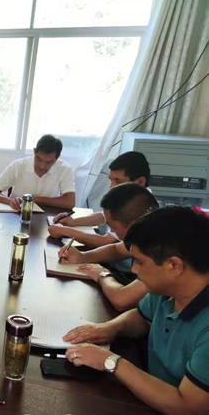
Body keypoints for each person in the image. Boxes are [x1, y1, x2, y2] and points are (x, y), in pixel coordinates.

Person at [63, 207, 209, 415]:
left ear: (174, 266)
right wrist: (110, 328)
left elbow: (186, 406)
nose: (134, 270)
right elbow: (142, 318)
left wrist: (110, 361)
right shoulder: (168, 288)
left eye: (139, 262)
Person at [58, 183, 159, 311]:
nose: (111, 230)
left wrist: (102, 275)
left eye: (113, 226)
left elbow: (122, 300)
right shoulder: (144, 232)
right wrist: (83, 256)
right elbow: (115, 250)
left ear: (133, 225)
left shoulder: (160, 249)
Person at [49, 151, 151, 247]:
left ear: (140, 182)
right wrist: (72, 222)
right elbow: (104, 216)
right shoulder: (133, 197)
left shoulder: (141, 207)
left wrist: (65, 231)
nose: (111, 187)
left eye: (118, 182)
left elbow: (106, 242)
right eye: (111, 180)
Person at [0, 134, 75, 210]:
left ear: (58, 157)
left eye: (49, 162)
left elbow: (70, 202)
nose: (42, 166)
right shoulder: (18, 165)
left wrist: (38, 200)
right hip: (17, 212)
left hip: (48, 215)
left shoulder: (65, 169)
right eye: (39, 159)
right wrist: (10, 201)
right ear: (34, 151)